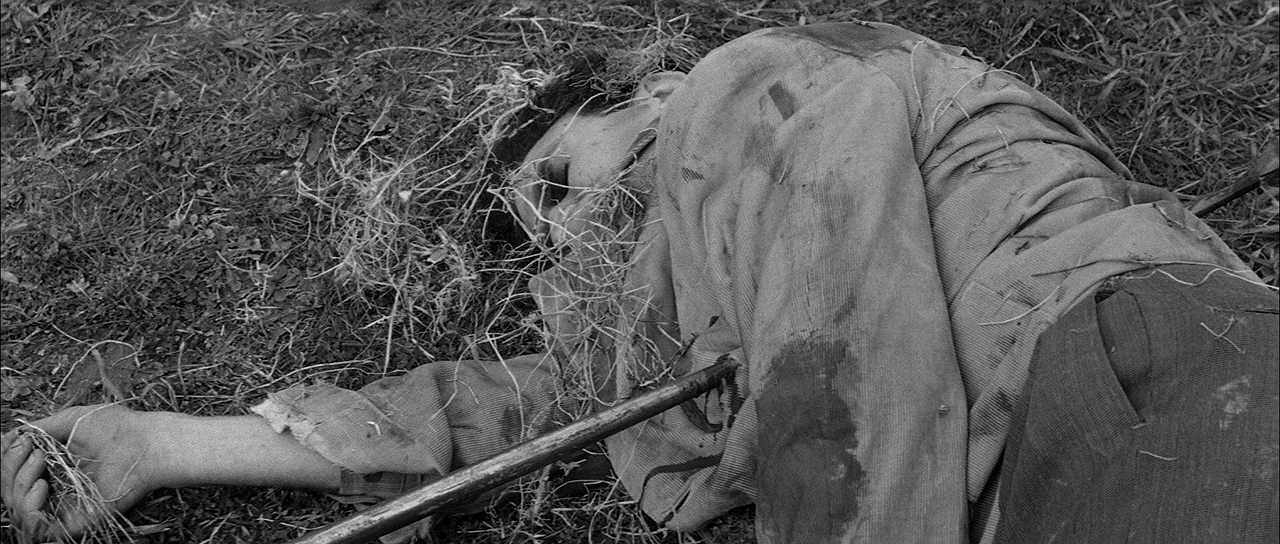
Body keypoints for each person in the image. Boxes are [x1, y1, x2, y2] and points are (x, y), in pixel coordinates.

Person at [3, 21, 1276, 544]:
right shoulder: (659, 310)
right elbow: (502, 412)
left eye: (559, 178)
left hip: (1123, 378)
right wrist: (158, 442)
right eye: (544, 230)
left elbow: (831, 342)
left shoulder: (746, 87)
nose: (569, 236)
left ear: (650, 91)